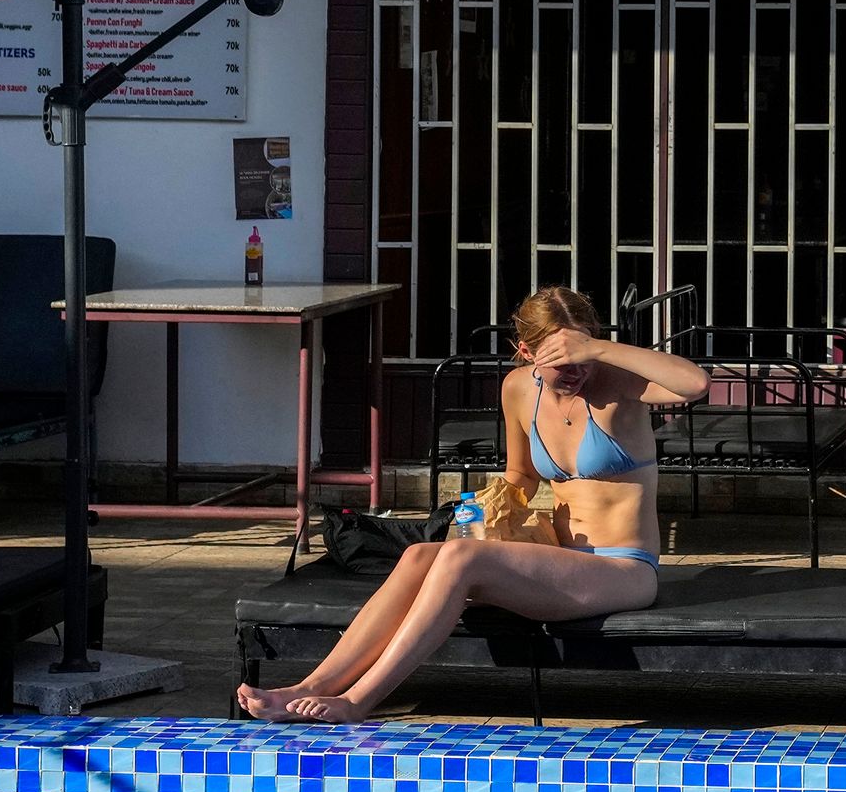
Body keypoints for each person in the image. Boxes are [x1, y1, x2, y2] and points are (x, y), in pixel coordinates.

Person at [239, 287, 708, 723]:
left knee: (462, 558)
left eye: (581, 357)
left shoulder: (620, 385)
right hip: (560, 560)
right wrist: (485, 511)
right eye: (561, 362)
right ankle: (311, 683)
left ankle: (358, 700)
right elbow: (521, 475)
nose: (575, 372)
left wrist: (598, 348)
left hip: (622, 568)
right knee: (421, 554)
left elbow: (695, 384)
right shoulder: (520, 388)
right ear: (526, 352)